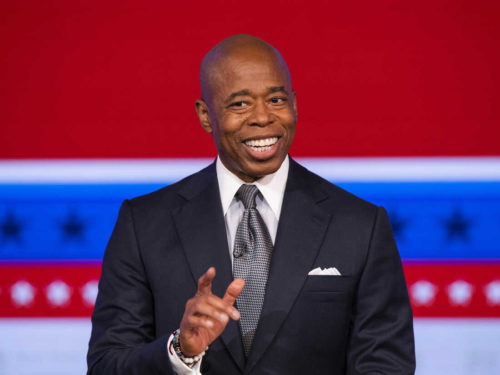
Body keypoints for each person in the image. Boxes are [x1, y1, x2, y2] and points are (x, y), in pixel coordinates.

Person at [87, 34, 415, 375]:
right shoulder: (143, 225)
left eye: (275, 99)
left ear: (295, 104)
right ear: (205, 115)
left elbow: (386, 365)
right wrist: (180, 351)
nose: (262, 118)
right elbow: (106, 366)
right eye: (240, 104)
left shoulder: (360, 225)